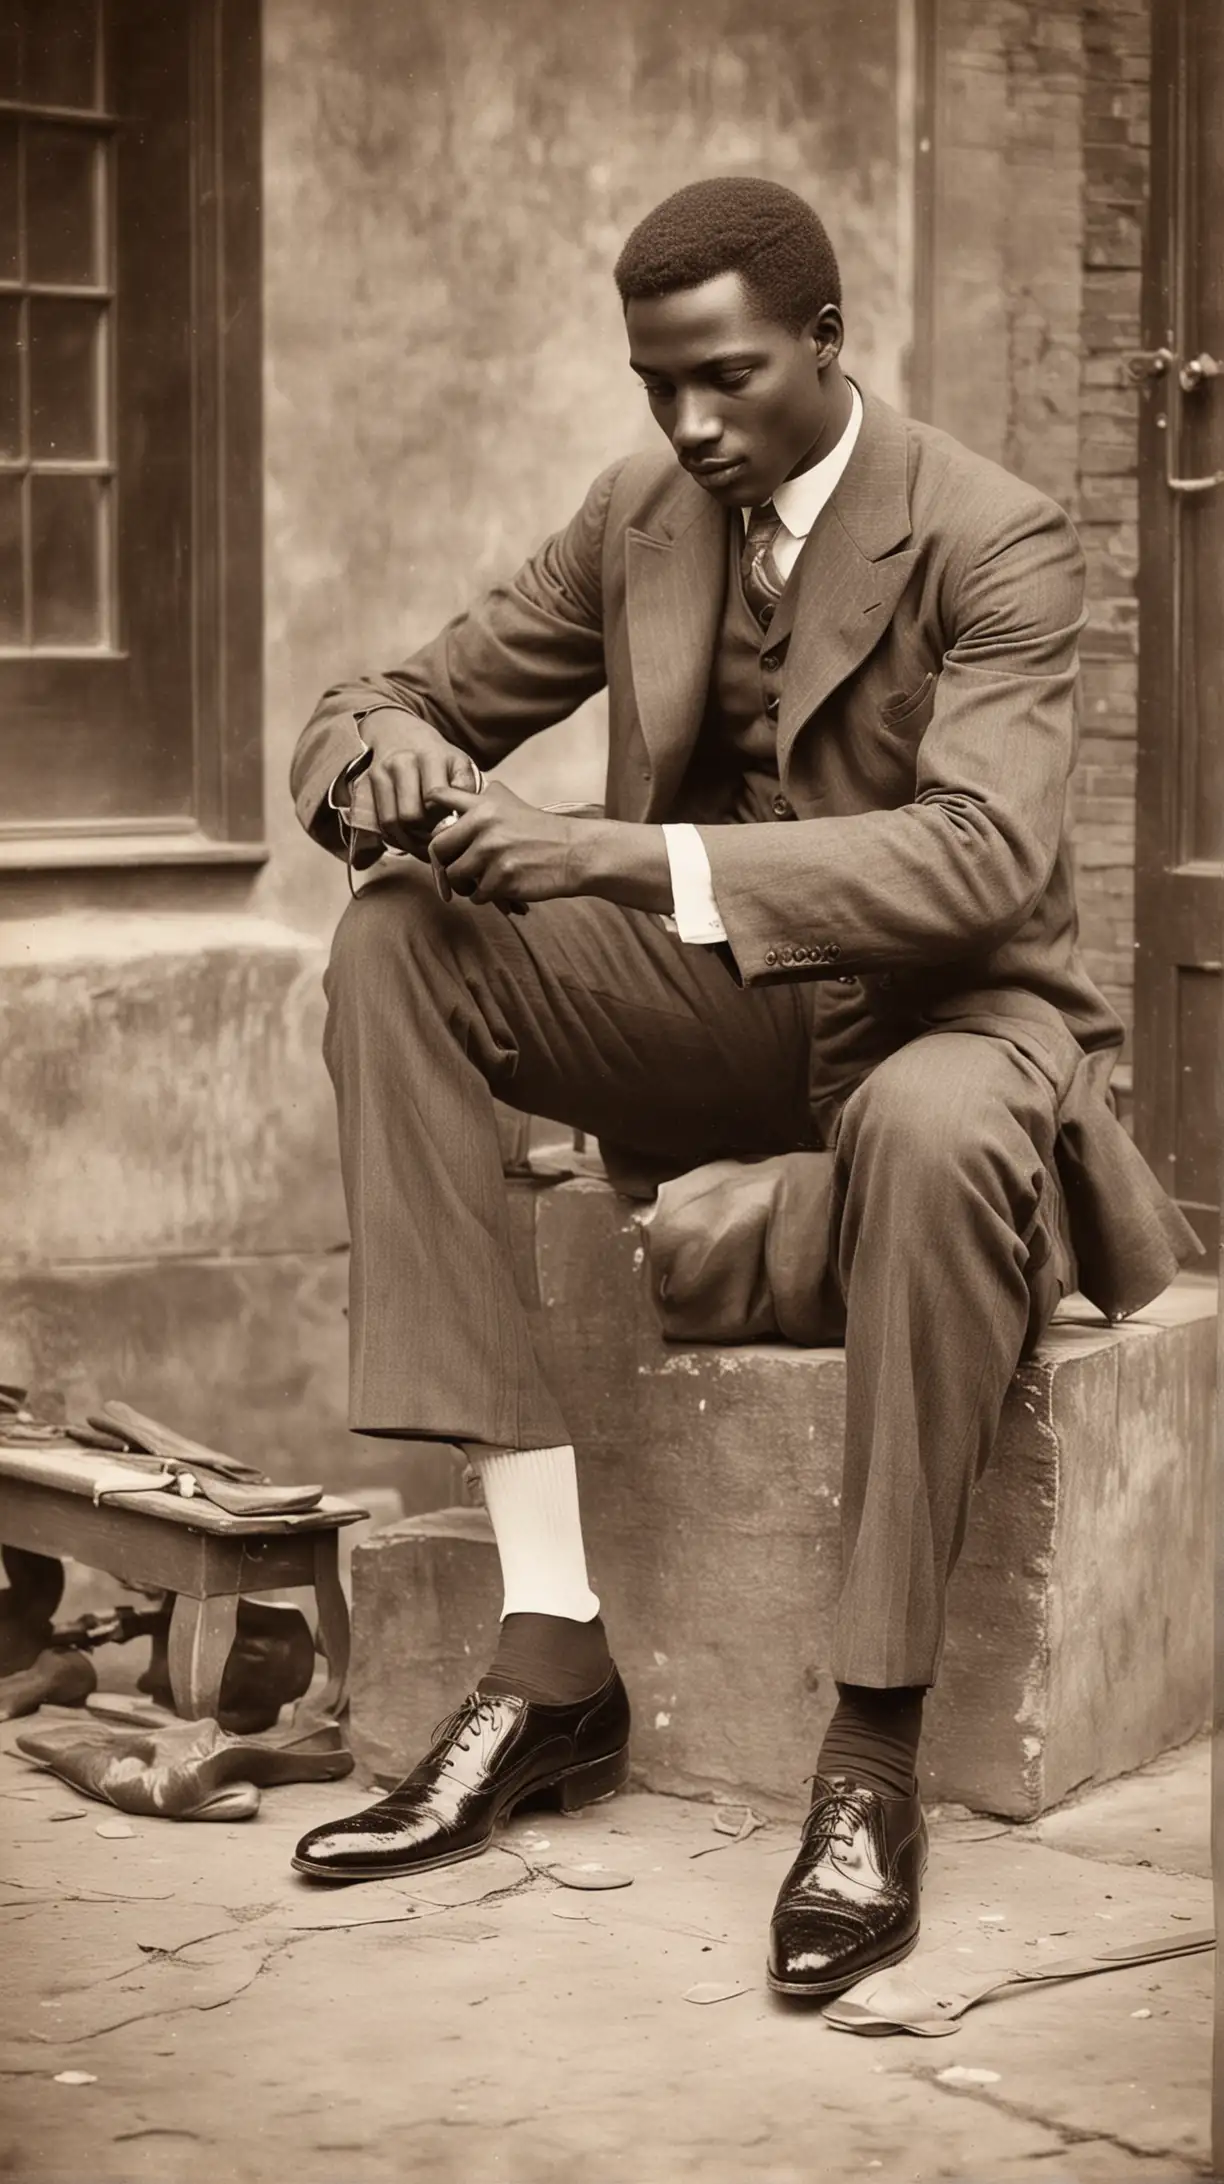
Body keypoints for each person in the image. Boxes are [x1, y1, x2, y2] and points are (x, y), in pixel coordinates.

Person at [288, 177, 1195, 1997]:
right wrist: (381, 766)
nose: (693, 425)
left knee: (934, 1137)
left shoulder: (997, 540)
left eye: (728, 378)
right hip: (733, 1023)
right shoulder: (642, 512)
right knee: (398, 937)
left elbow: (980, 866)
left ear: (827, 346)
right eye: (657, 387)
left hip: (956, 1018)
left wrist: (615, 859)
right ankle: (551, 1652)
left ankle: (869, 1756)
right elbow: (387, 693)